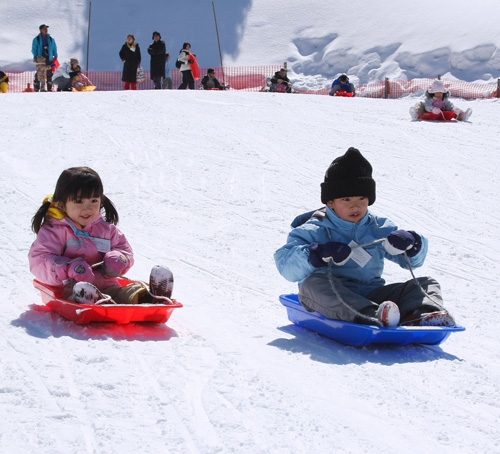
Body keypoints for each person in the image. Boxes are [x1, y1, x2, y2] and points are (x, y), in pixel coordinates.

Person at [274, 147, 456, 327]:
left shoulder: (378, 227)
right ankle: (371, 315)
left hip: (372, 294)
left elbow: (412, 261)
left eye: (361, 198)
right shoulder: (314, 229)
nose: (355, 206)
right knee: (311, 285)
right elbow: (286, 267)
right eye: (346, 199)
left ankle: (423, 314)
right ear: (330, 202)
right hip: (330, 298)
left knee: (426, 283)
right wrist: (316, 254)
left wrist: (412, 243)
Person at [29, 167, 174, 305]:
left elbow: (125, 250)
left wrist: (119, 259)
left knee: (124, 293)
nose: (88, 208)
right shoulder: (54, 231)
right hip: (70, 287)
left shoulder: (107, 230)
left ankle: (149, 297)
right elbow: (39, 260)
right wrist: (68, 268)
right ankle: (91, 299)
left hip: (108, 285)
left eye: (94, 201)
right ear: (61, 205)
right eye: (79, 202)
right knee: (78, 292)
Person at [31, 24, 58, 92]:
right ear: (40, 30)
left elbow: (54, 47)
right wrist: (35, 56)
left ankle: (49, 85)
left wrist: (55, 55)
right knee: (40, 71)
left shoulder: (51, 39)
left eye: (46, 28)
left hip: (48, 56)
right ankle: (37, 85)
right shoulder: (36, 39)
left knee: (49, 71)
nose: (46, 29)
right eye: (44, 28)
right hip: (40, 57)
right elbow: (34, 48)